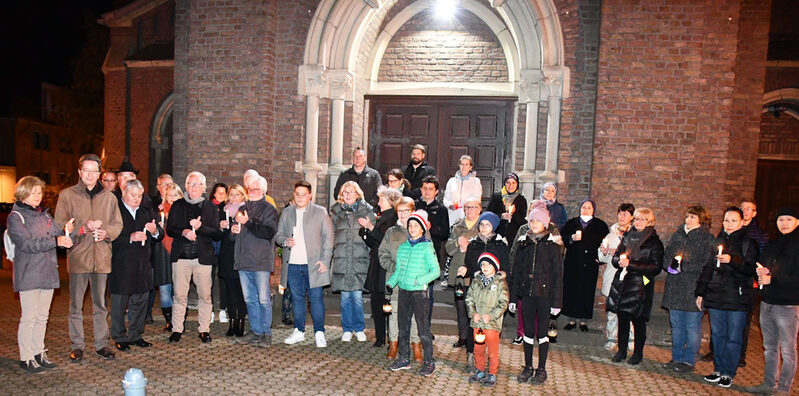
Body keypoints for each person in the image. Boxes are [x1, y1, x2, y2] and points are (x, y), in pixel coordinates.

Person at [54, 153, 123, 362]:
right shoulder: (67, 195)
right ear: (79, 172)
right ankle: (77, 345)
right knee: (75, 305)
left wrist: (106, 233)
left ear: (99, 173)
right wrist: (83, 228)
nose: (90, 175)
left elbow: (117, 224)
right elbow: (59, 225)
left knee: (100, 304)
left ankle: (101, 344)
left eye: (94, 171)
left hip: (101, 258)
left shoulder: (109, 197)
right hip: (78, 257)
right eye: (86, 170)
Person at [9, 176, 74, 373]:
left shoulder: (44, 215)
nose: (37, 196)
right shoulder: (16, 217)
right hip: (29, 273)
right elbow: (26, 244)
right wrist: (56, 242)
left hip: (47, 272)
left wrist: (67, 230)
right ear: (23, 193)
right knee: (29, 317)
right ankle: (26, 357)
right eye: (33, 192)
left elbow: (57, 232)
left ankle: (38, 353)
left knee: (42, 317)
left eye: (39, 192)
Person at [696, 207, 758, 388]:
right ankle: (718, 369)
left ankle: (728, 372)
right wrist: (700, 292)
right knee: (718, 335)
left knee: (733, 337)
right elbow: (708, 268)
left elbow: (750, 269)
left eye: (733, 220)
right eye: (726, 220)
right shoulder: (717, 241)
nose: (729, 224)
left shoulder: (748, 242)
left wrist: (733, 260)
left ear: (741, 222)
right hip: (716, 296)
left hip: (737, 298)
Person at [509, 200, 563, 385]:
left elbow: (557, 275)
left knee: (542, 333)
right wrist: (513, 298)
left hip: (545, 295)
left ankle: (541, 369)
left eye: (538, 222)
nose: (534, 225)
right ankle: (527, 367)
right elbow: (516, 272)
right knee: (528, 332)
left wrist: (557, 302)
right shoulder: (524, 244)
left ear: (545, 224)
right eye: (532, 222)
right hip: (527, 293)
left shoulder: (552, 246)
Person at [165, 171, 222, 344]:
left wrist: (201, 227)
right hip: (181, 257)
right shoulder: (177, 205)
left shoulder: (211, 207)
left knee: (205, 296)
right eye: (191, 184)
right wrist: (184, 232)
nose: (194, 187)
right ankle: (177, 329)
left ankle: (204, 329)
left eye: (198, 184)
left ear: (204, 188)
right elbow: (170, 229)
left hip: (202, 258)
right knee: (179, 295)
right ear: (186, 186)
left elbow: (217, 234)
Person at [277, 181, 335, 348]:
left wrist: (325, 260)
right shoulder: (287, 212)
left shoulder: (320, 212)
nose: (300, 197)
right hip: (293, 264)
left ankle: (319, 332)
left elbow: (328, 238)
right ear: (293, 195)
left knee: (316, 299)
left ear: (310, 195)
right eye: (297, 194)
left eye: (303, 194)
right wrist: (284, 241)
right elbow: (278, 235)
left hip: (314, 264)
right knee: (297, 299)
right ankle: (299, 331)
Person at [747, 207, 799, 395]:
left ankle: (784, 388)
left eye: (788, 219)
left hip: (787, 304)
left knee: (788, 349)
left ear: (797, 222)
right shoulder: (772, 244)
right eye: (781, 220)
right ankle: (769, 383)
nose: (784, 223)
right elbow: (763, 266)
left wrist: (773, 279)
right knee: (769, 347)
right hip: (768, 301)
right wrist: (760, 272)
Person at [110, 180, 163, 351]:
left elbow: (159, 234)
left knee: (141, 300)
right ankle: (119, 336)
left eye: (140, 196)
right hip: (121, 263)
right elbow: (109, 237)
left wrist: (154, 231)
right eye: (133, 195)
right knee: (119, 302)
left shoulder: (146, 211)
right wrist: (130, 237)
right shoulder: (115, 210)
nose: (137, 199)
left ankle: (136, 334)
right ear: (124, 192)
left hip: (142, 263)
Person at [660, 205, 715, 373]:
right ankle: (676, 357)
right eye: (687, 216)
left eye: (692, 217)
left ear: (701, 219)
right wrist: (670, 265)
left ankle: (689, 360)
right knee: (676, 325)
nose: (688, 220)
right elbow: (667, 255)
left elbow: (706, 264)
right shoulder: (678, 234)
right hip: (675, 286)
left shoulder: (706, 238)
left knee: (692, 326)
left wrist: (683, 265)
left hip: (693, 287)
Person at [386, 210, 440, 376]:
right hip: (403, 292)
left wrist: (420, 280)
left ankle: (429, 362)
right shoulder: (403, 248)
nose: (413, 228)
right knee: (403, 327)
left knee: (422, 329)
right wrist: (391, 283)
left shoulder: (427, 246)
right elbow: (398, 270)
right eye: (410, 225)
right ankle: (404, 359)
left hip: (419, 294)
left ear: (423, 228)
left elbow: (436, 271)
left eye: (416, 225)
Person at [608, 208, 663, 365]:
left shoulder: (654, 242)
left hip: (640, 285)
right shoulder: (627, 237)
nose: (638, 222)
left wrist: (631, 264)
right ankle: (622, 350)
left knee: (638, 320)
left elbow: (655, 267)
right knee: (623, 318)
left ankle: (638, 353)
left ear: (649, 222)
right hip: (623, 284)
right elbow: (616, 257)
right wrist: (618, 261)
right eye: (636, 219)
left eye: (642, 219)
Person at [458, 211, 508, 373]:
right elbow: (470, 266)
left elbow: (506, 267)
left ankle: (492, 362)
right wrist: (464, 270)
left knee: (491, 329)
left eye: (487, 224)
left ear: (493, 226)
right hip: (477, 288)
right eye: (481, 224)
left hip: (494, 292)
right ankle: (472, 357)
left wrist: (500, 278)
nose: (484, 227)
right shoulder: (473, 244)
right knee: (474, 323)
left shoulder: (500, 244)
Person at [231, 175, 279, 347]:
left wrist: (248, 223)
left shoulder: (269, 209)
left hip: (260, 262)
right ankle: (255, 331)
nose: (252, 191)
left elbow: (267, 232)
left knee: (263, 299)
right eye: (249, 188)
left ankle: (266, 333)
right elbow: (234, 236)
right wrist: (234, 230)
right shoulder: (242, 208)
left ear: (264, 190)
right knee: (249, 299)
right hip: (244, 261)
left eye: (256, 188)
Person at [330, 181, 375, 342]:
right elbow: (331, 235)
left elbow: (374, 235)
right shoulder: (336, 212)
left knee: (356, 297)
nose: (348, 195)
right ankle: (347, 329)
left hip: (359, 260)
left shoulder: (367, 211)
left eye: (351, 192)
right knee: (344, 298)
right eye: (345, 192)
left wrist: (369, 226)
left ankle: (359, 328)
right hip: (342, 259)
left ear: (357, 194)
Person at [378, 197, 422, 361]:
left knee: (415, 315)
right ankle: (394, 344)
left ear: (413, 211)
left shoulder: (421, 230)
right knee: (394, 313)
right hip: (395, 280)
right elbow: (382, 254)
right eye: (400, 211)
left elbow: (429, 254)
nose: (403, 215)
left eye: (407, 211)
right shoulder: (391, 232)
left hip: (415, 281)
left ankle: (416, 345)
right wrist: (394, 268)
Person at [361, 187, 402, 347]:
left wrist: (371, 228)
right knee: (376, 302)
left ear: (391, 202)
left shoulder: (393, 218)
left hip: (386, 265)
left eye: (381, 200)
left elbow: (387, 240)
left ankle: (390, 337)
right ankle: (380, 337)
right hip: (377, 264)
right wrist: (366, 234)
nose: (378, 203)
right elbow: (375, 243)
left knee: (385, 302)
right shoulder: (382, 216)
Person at [561, 199, 609, 331]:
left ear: (593, 210)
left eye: (589, 208)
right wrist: (571, 238)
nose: (586, 210)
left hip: (589, 264)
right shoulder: (572, 223)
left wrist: (601, 257)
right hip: (573, 263)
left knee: (586, 292)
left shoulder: (600, 225)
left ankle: (583, 321)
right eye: (584, 207)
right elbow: (562, 238)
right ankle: (571, 320)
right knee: (572, 291)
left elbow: (606, 242)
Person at [465, 253, 509, 387]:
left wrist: (491, 315)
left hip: (492, 324)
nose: (485, 267)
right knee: (478, 349)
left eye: (489, 264)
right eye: (483, 264)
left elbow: (503, 303)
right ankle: (480, 370)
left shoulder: (500, 283)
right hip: (478, 324)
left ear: (495, 267)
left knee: (492, 350)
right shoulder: (476, 281)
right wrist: (473, 313)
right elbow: (469, 299)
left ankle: (492, 373)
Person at [445, 197, 482, 351]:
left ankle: (475, 337)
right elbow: (447, 248)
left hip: (476, 273)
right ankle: (463, 337)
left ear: (479, 209)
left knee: (474, 307)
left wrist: (470, 247)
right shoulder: (457, 227)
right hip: (459, 272)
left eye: (473, 207)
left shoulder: (483, 226)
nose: (470, 210)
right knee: (460, 306)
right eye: (467, 207)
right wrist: (456, 244)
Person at [597, 203, 635, 351]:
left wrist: (621, 255)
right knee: (612, 312)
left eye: (625, 214)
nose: (622, 216)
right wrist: (604, 251)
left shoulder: (635, 235)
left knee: (628, 311)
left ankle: (630, 341)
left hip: (629, 279)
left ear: (632, 217)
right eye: (620, 213)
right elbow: (601, 257)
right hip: (612, 277)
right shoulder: (610, 234)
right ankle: (612, 339)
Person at [414, 175, 449, 324]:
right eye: (425, 188)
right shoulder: (414, 205)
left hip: (430, 255)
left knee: (428, 294)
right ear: (421, 189)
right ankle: (413, 326)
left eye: (430, 189)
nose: (427, 191)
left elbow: (445, 233)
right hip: (414, 254)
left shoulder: (441, 209)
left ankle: (426, 326)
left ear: (436, 192)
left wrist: (431, 228)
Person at [217, 184, 248, 337]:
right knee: (230, 291)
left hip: (242, 254)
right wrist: (221, 227)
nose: (234, 197)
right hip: (227, 254)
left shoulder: (246, 211)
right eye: (232, 194)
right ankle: (232, 322)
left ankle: (241, 322)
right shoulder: (222, 212)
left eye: (237, 194)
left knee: (241, 291)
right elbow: (216, 235)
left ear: (243, 196)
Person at [156, 182, 182, 332]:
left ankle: (178, 320)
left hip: (178, 252)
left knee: (179, 290)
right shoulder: (160, 211)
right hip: (163, 254)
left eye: (175, 195)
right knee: (165, 289)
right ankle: (169, 320)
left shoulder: (183, 212)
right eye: (169, 195)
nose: (172, 198)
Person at [486, 173, 527, 248]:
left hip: (513, 236)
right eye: (508, 182)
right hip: (497, 234)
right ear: (505, 184)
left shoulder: (521, 200)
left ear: (517, 184)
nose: (511, 185)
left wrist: (513, 214)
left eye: (513, 183)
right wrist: (500, 216)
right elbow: (488, 215)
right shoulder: (496, 197)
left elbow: (522, 221)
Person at [443, 155, 482, 227]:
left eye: (466, 164)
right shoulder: (452, 181)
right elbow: (446, 199)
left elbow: (477, 200)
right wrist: (450, 205)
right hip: (454, 214)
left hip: (469, 215)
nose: (464, 167)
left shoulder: (475, 181)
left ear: (470, 167)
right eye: (462, 164)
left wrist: (467, 207)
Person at [210, 182, 228, 324]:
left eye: (224, 192)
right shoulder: (208, 207)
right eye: (218, 192)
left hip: (223, 247)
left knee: (223, 281)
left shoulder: (228, 208)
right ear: (214, 193)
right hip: (210, 247)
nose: (221, 195)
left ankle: (223, 310)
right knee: (208, 280)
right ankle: (209, 311)